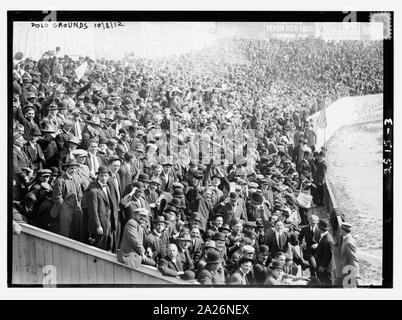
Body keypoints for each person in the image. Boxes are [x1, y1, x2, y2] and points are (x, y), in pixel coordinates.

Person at [50, 159, 84, 240]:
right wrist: (64, 208)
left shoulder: (76, 177)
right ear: (66, 169)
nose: (73, 170)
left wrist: (79, 202)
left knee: (77, 230)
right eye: (71, 168)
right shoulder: (60, 180)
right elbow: (57, 197)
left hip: (76, 207)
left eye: (75, 168)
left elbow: (79, 192)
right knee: (65, 232)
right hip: (65, 208)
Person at [86, 165, 113, 251]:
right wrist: (98, 226)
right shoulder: (93, 191)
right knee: (98, 248)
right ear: (98, 176)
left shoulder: (107, 187)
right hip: (99, 224)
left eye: (105, 176)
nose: (104, 178)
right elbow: (93, 211)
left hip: (107, 222)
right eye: (101, 175)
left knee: (106, 246)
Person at [334, 222, 359, 287]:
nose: (339, 230)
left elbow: (353, 258)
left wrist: (356, 273)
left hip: (345, 272)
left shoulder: (348, 242)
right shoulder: (348, 238)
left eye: (340, 229)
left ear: (343, 231)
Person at [313, 219, 335, 286]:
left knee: (326, 283)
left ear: (319, 228)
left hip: (325, 268)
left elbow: (328, 255)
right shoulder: (323, 236)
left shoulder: (328, 240)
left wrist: (322, 266)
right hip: (321, 264)